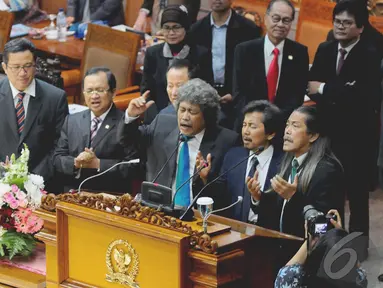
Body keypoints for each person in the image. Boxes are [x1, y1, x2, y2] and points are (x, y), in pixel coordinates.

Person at [307, 0, 382, 260]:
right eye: (337, 21)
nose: (340, 26)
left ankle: (358, 250)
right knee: (325, 192)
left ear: (360, 27)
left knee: (358, 196)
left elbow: (365, 97)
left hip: (358, 137)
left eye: (347, 22)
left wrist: (327, 89)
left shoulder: (371, 53)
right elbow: (310, 87)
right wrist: (341, 91)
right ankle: (324, 243)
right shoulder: (326, 48)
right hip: (327, 134)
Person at [248, 106, 344, 270]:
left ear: (313, 135)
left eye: (295, 126)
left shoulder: (327, 170)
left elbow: (323, 226)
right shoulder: (287, 162)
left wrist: (294, 197)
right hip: (282, 256)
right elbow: (277, 214)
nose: (287, 131)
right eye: (287, 125)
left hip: (310, 263)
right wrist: (259, 199)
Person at [117, 78, 238, 209]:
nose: (185, 117)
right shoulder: (162, 125)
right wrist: (131, 116)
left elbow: (228, 193)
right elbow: (128, 141)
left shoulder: (226, 141)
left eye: (192, 112)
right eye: (182, 110)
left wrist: (206, 178)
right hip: (159, 210)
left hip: (199, 216)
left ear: (206, 116)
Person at [53, 67, 137, 194]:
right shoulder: (72, 120)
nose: (94, 96)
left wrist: (98, 164)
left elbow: (134, 166)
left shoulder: (126, 123)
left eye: (100, 90)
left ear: (113, 92)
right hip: (73, 194)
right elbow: (57, 158)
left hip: (109, 197)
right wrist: (75, 163)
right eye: (89, 91)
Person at [0, 38, 68, 191]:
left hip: (42, 184)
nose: (22, 73)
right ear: (4, 67)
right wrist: (5, 178)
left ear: (35, 65)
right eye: (16, 67)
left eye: (28, 66)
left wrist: (32, 180)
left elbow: (60, 145)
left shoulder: (55, 98)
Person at [200, 100, 283, 223]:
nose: (246, 131)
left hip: (267, 233)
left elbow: (282, 209)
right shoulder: (234, 156)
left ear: (270, 134)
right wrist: (205, 178)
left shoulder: (283, 163)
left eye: (252, 126)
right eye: (244, 125)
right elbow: (220, 197)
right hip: (234, 230)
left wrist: (258, 198)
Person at [232, 0, 309, 131]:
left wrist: (275, 120)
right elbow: (239, 93)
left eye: (286, 20)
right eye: (276, 18)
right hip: (248, 125)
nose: (280, 24)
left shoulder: (299, 53)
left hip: (281, 127)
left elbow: (297, 95)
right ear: (266, 18)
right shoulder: (245, 50)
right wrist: (257, 120)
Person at [189, 0, 261, 128]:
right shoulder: (196, 29)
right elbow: (194, 67)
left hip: (238, 99)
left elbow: (254, 69)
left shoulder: (249, 29)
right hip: (205, 98)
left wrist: (235, 93)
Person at [141, 5, 212, 123]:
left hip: (191, 116)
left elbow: (206, 90)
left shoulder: (201, 54)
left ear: (185, 28)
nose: (171, 32)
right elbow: (146, 89)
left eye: (176, 27)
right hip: (157, 115)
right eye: (166, 28)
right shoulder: (153, 53)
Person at [275, 209, 368, 288]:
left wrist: (309, 239)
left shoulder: (290, 281)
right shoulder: (358, 281)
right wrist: (340, 236)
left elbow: (284, 275)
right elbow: (355, 266)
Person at [133, 0, 201, 34]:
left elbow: (192, 8)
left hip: (177, 26)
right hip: (156, 21)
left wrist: (173, 26)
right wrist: (143, 13)